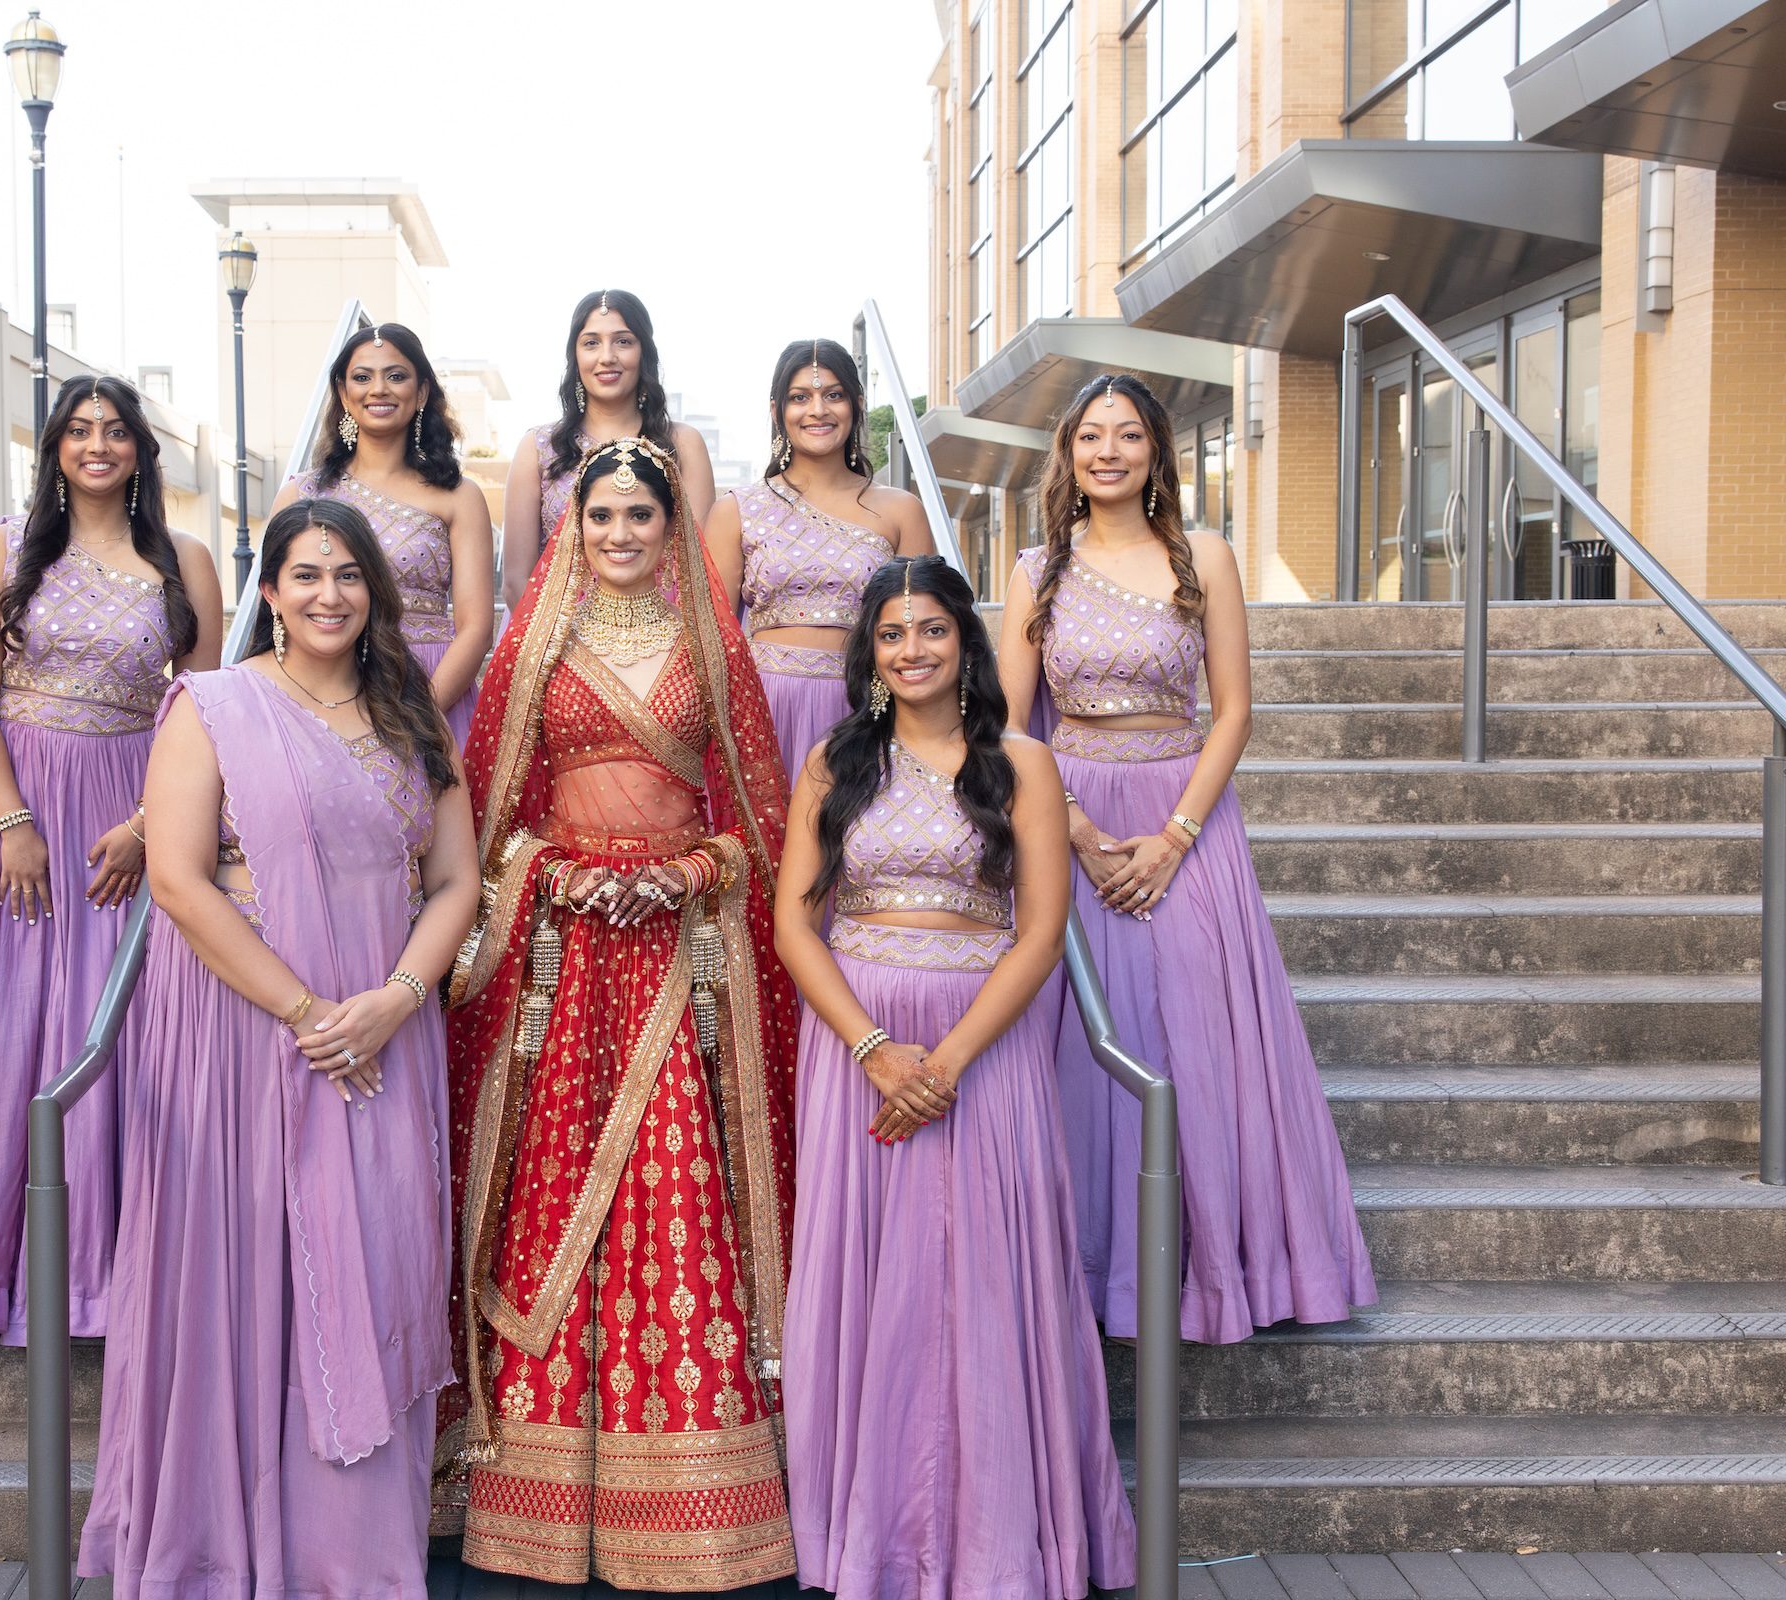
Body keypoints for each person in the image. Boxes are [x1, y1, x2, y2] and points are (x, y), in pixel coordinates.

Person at [78, 494, 477, 1600]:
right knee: (243, 1269)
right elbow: (176, 877)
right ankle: (215, 1541)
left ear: (375, 594)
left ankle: (344, 1554)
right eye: (305, 575)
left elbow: (453, 882)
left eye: (348, 576)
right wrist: (310, 1013)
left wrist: (395, 999)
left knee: (374, 1258)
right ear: (269, 592)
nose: (328, 595)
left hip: (383, 1032)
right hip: (245, 1029)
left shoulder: (412, 720)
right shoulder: (213, 705)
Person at [441, 436, 799, 1591]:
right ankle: (526, 1498)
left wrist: (693, 874)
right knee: (546, 1192)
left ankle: (694, 1496)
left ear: (670, 522)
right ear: (572, 524)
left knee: (681, 1184)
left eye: (643, 513)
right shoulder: (533, 646)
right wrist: (550, 869)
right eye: (603, 516)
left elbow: (763, 819)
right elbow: (493, 814)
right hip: (564, 951)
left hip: (682, 958)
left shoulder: (716, 643)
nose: (624, 533)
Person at [775, 556, 1135, 1600]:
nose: (913, 651)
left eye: (932, 631)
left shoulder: (1022, 763)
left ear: (965, 644)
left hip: (987, 1047)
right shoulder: (834, 760)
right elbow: (798, 919)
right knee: (871, 1280)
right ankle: (871, 1540)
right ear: (871, 653)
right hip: (860, 1046)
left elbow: (1042, 930)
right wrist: (874, 1049)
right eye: (892, 635)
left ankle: (998, 1547)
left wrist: (950, 1060)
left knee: (983, 1277)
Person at [998, 372, 1376, 1344]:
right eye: (1093, 436)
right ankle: (1089, 1282)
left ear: (1158, 451)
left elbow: (1235, 710)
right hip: (1072, 813)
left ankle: (1221, 1275)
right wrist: (1076, 831)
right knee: (1084, 1046)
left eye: (1129, 435)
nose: (1110, 451)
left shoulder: (1202, 554)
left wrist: (1174, 837)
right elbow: (1004, 725)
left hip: (1186, 817)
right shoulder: (1036, 567)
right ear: (1070, 453)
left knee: (1203, 1040)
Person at [0, 373, 224, 1344]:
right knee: (7, 1027)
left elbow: (206, 712)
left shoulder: (186, 559)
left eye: (115, 430)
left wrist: (152, 821)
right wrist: (12, 820)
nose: (98, 444)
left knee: (107, 1035)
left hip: (127, 817)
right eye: (80, 430)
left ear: (141, 449)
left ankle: (106, 1284)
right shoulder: (6, 548)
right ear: (56, 448)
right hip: (15, 817)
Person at [705, 338, 933, 778]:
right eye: (800, 397)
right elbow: (712, 639)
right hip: (763, 709)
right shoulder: (737, 510)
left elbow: (926, 626)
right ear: (776, 411)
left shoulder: (899, 510)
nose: (817, 410)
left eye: (833, 394)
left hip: (866, 707)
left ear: (857, 404)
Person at [275, 321, 494, 748]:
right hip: (325, 688)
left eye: (395, 375)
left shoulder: (458, 497)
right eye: (362, 377)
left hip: (433, 692)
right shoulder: (302, 493)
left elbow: (476, 627)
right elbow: (280, 613)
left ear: (423, 392)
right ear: (343, 392)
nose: (379, 389)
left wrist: (420, 714)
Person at [498, 290, 716, 610]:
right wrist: (563, 652)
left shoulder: (682, 444)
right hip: (556, 642)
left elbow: (699, 574)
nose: (607, 356)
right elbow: (517, 579)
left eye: (623, 341)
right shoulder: (540, 448)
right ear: (575, 356)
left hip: (661, 644)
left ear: (644, 352)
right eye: (591, 342)